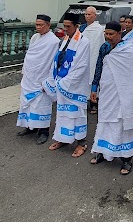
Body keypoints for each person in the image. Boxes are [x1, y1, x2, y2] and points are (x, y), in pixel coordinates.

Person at [90, 22, 133, 175]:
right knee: (105, 121)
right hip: (107, 92)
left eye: (111, 34)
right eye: (106, 33)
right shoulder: (104, 48)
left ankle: (126, 159)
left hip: (123, 96)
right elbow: (98, 67)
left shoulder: (129, 51)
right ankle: (103, 152)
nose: (108, 37)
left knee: (121, 124)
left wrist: (130, 97)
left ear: (120, 34)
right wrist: (94, 88)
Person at [45, 13, 91, 158]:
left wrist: (66, 83)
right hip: (62, 83)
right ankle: (63, 139)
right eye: (64, 26)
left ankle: (81, 143)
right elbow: (57, 60)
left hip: (74, 86)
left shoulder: (84, 42)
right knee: (63, 114)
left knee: (77, 114)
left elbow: (81, 66)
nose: (65, 29)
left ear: (76, 26)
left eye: (68, 27)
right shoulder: (65, 40)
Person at [16, 14, 60, 144]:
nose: (38, 27)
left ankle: (43, 131)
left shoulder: (53, 41)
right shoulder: (35, 38)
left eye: (41, 25)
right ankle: (30, 127)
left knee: (41, 105)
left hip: (42, 78)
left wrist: (49, 81)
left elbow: (53, 62)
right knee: (27, 104)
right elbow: (30, 56)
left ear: (48, 25)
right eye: (37, 25)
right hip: (30, 77)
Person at [82, 6, 105, 114]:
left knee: (94, 79)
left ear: (95, 16)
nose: (87, 16)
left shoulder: (99, 29)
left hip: (95, 57)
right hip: (84, 57)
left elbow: (101, 43)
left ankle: (94, 103)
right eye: (86, 14)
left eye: (89, 14)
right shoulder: (82, 28)